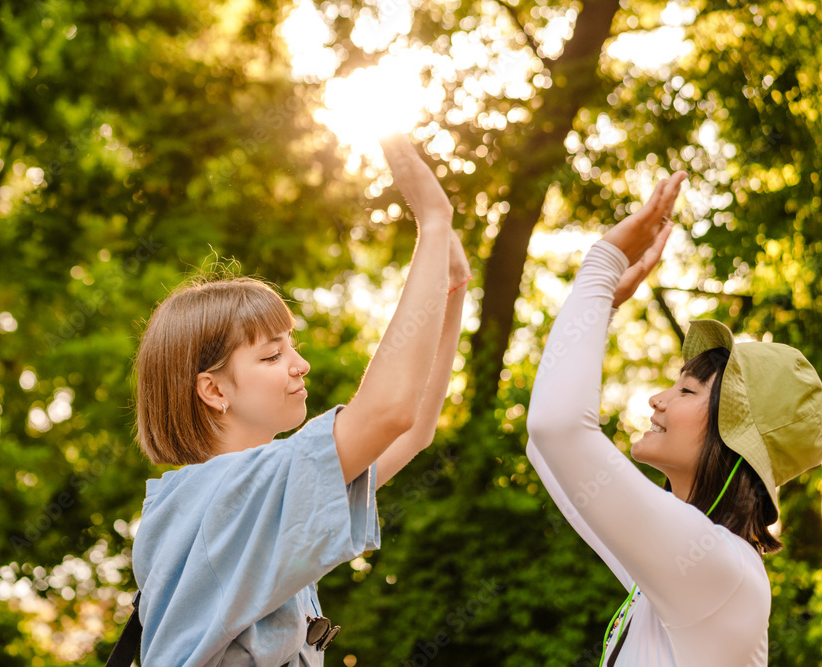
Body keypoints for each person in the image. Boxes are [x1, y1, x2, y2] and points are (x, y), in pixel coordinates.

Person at [130, 134, 471, 666]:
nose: (299, 365)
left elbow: (412, 429)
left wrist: (451, 293)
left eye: (293, 346)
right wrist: (432, 220)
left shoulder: (239, 497)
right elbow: (388, 412)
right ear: (213, 390)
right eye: (270, 356)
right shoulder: (233, 493)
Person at [525, 173, 822, 666]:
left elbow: (556, 431)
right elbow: (548, 453)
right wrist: (604, 306)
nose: (657, 400)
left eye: (686, 390)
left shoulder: (720, 571)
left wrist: (603, 264)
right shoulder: (687, 569)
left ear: (733, 440)